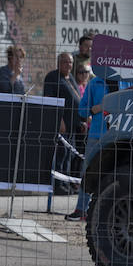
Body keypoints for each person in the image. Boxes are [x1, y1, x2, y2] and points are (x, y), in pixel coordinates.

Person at [64, 70, 117, 222]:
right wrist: (94, 109)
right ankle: (81, 210)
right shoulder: (95, 82)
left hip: (119, 136)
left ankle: (106, 214)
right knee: (88, 171)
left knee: (113, 174)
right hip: (96, 135)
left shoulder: (126, 82)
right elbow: (82, 109)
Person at [43, 53, 82, 193]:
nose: (68, 65)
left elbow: (77, 98)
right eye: (65, 62)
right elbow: (49, 100)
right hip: (62, 125)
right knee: (61, 154)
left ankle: (66, 184)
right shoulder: (53, 78)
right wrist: (59, 120)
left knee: (69, 155)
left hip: (73, 125)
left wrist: (82, 120)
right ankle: (58, 185)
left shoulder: (70, 77)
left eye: (70, 62)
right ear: (59, 63)